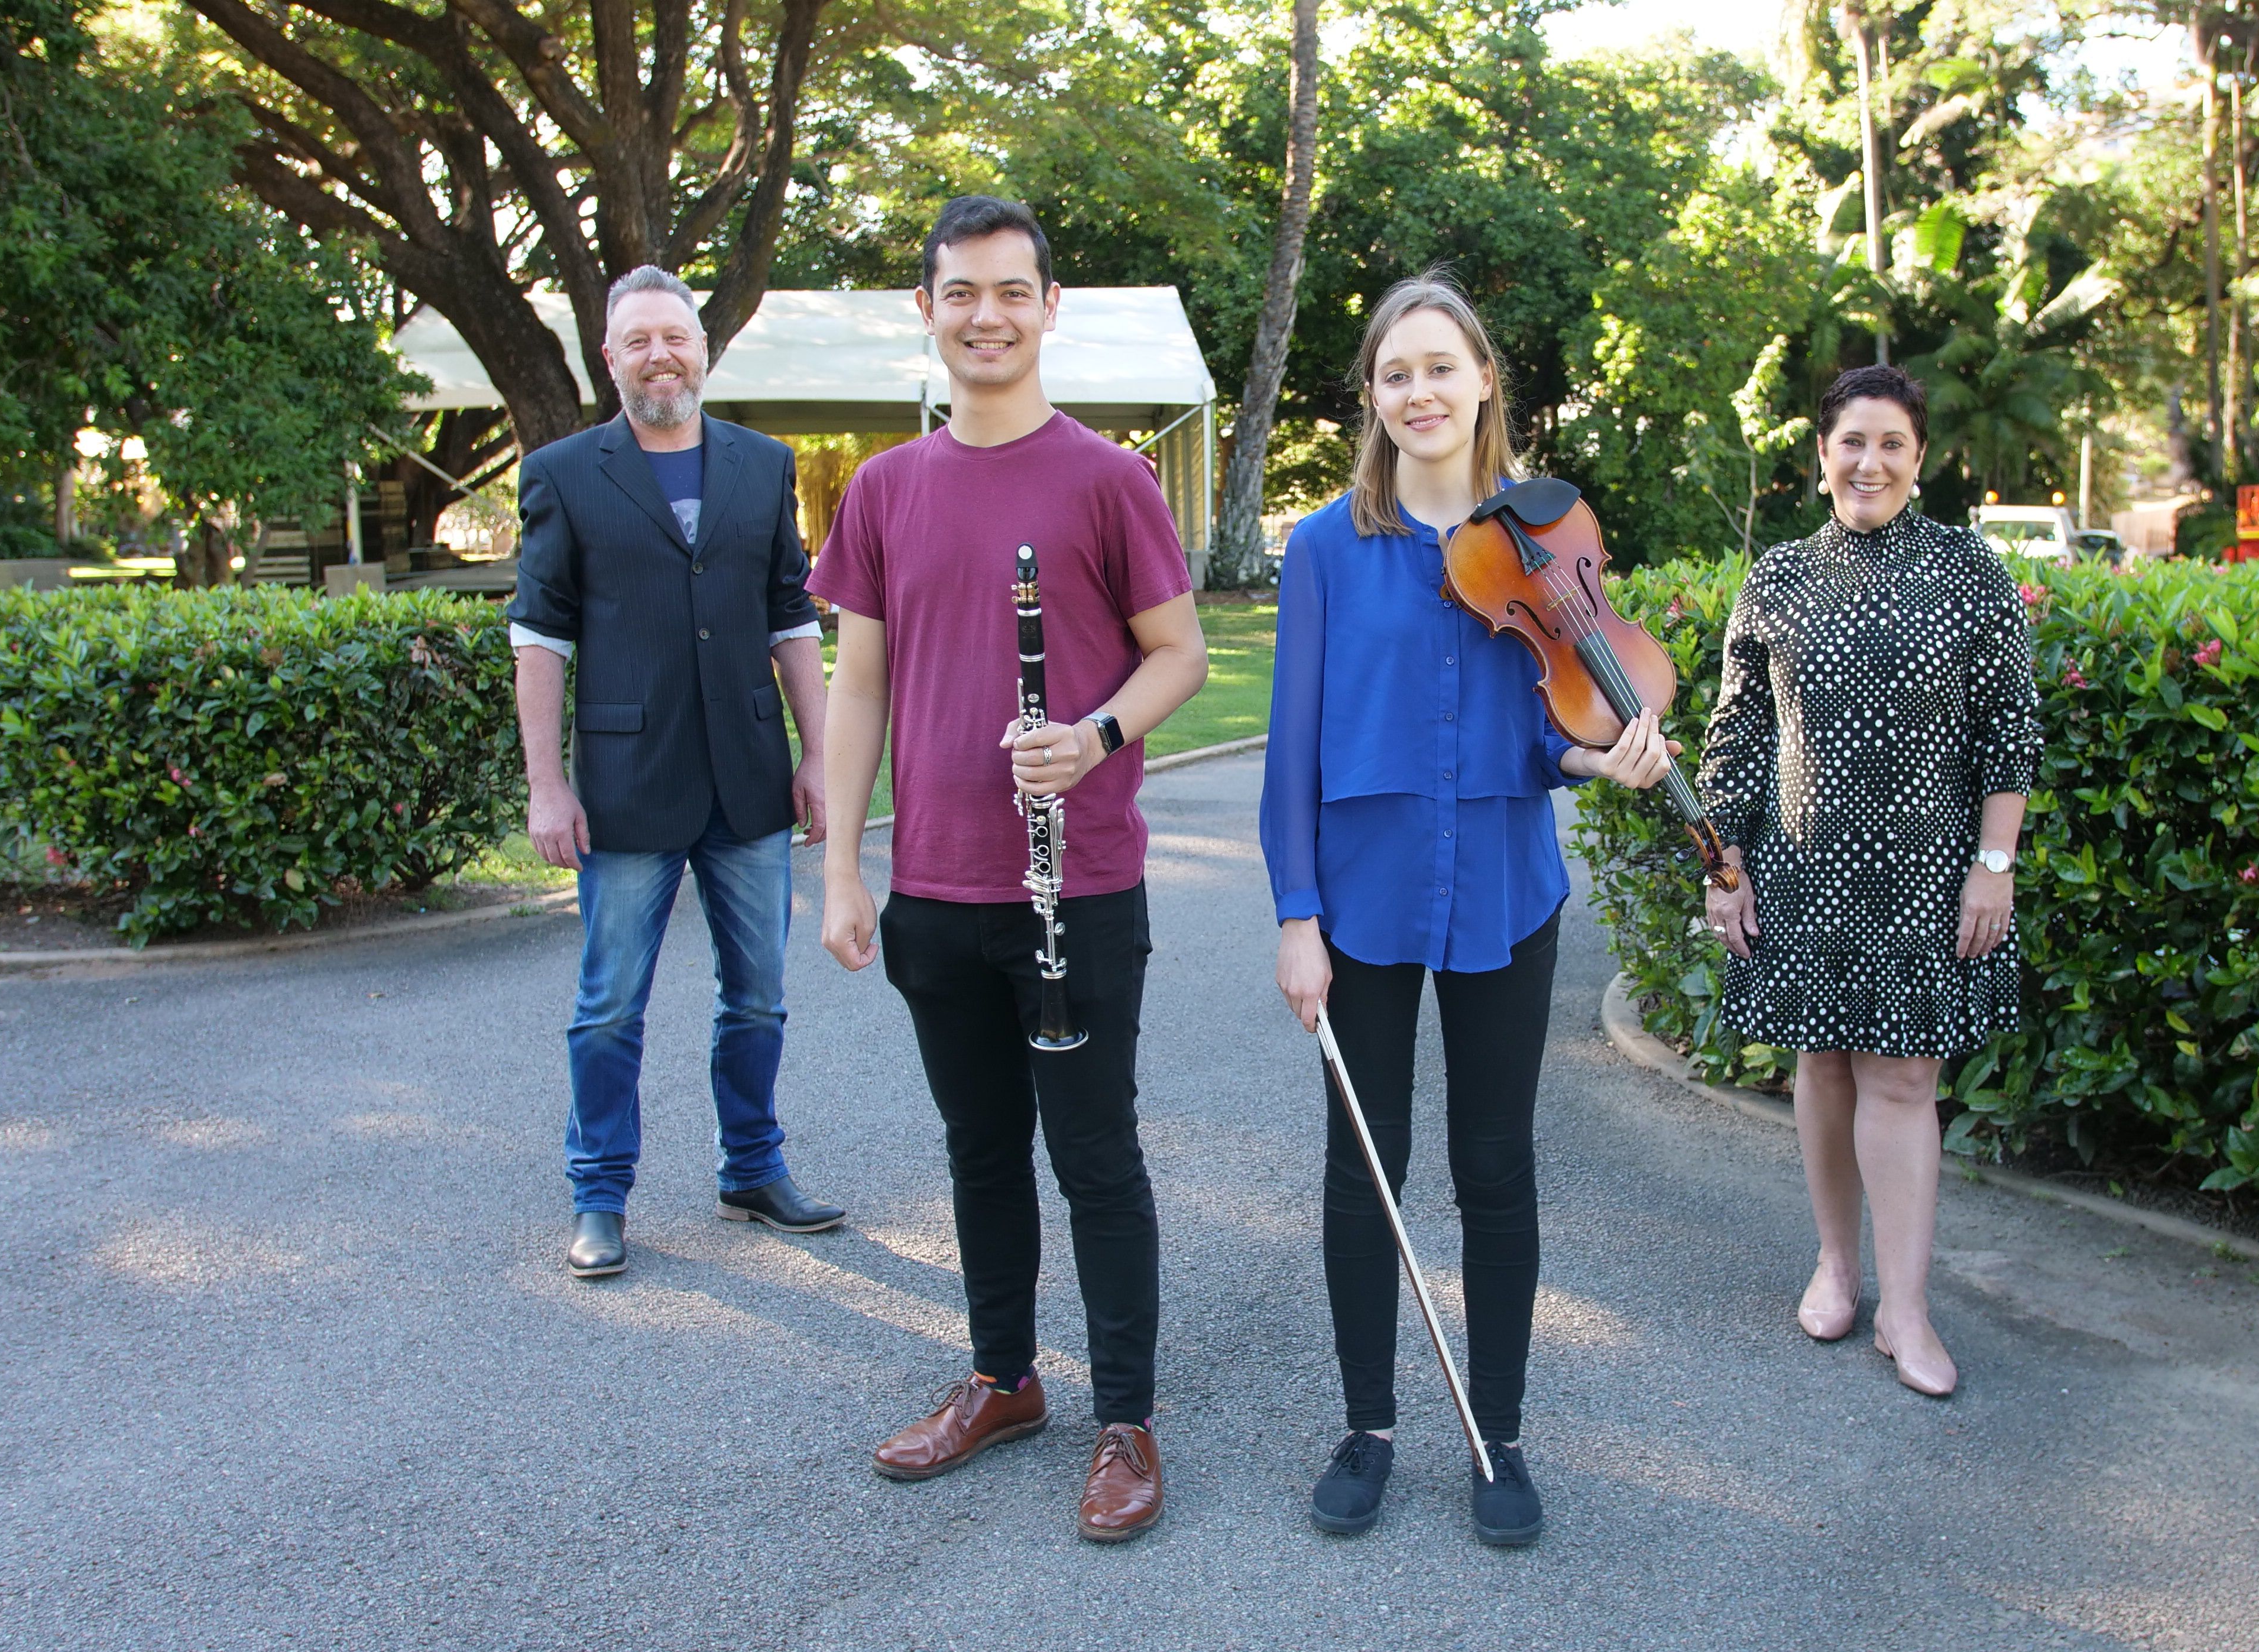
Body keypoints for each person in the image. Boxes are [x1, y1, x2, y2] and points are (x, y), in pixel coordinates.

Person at [814, 196, 1208, 1543]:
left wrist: (1096, 734)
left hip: (1077, 886)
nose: (987, 314)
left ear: (1050, 309)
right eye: (960, 292)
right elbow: (856, 684)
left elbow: (1181, 656)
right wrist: (842, 869)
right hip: (934, 888)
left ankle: (1127, 1418)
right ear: (926, 310)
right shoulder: (881, 488)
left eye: (1011, 291)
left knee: (1096, 1155)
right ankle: (1005, 1378)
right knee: (979, 1149)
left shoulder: (1108, 478)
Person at [1259, 272, 1675, 1546]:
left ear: (1486, 379)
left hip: (1503, 876)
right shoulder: (1328, 545)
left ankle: (1500, 1429)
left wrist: (1599, 757)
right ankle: (1370, 1425)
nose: (1420, 391)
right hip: (1363, 888)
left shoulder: (1543, 545)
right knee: (1363, 1166)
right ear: (1374, 398)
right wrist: (1293, 910)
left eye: (1441, 367)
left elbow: (1549, 719)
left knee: (1494, 1165)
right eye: (1395, 374)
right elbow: (1291, 748)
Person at [1693, 363, 2041, 1398]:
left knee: (1904, 1080)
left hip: (1931, 878)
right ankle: (1837, 1267)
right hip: (1805, 871)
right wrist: (1723, 867)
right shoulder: (1780, 578)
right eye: (1852, 441)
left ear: (1920, 460)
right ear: (1821, 455)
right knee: (1827, 1069)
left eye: (1891, 443)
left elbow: (2011, 736)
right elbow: (1737, 739)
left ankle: (1908, 1307)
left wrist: (1995, 866)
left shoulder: (1970, 573)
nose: (1869, 462)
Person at [507, 264, 845, 1281]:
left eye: (678, 336)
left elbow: (792, 618)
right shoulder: (565, 473)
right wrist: (545, 783)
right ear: (609, 359)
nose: (662, 354)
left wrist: (820, 755)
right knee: (609, 1005)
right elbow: (539, 639)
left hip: (747, 780)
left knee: (760, 998)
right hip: (623, 787)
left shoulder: (762, 464)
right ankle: (599, 1195)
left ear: (704, 348)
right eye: (639, 340)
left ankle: (752, 1170)